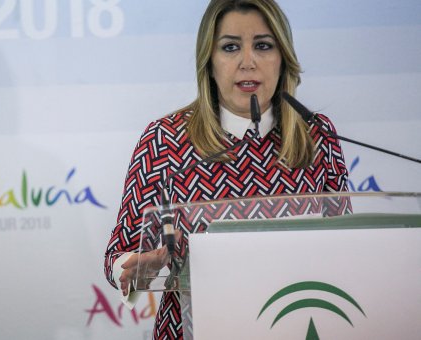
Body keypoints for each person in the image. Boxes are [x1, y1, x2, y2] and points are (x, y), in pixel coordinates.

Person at [103, 0, 350, 338]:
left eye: (263, 45)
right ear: (209, 60)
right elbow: (121, 253)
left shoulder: (316, 134)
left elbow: (347, 248)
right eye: (230, 47)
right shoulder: (165, 139)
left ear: (283, 58)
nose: (247, 62)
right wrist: (137, 269)